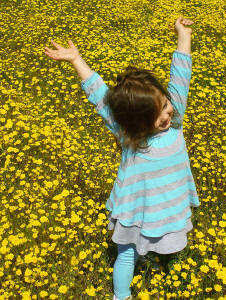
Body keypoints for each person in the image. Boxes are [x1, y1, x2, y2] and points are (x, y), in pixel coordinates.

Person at [45, 15, 200, 300]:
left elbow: (181, 75)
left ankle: (166, 263)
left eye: (165, 105)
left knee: (168, 245)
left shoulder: (175, 119)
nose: (166, 114)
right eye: (157, 114)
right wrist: (76, 61)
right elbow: (101, 96)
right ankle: (121, 295)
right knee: (126, 256)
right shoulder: (131, 137)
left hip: (166, 208)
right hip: (135, 215)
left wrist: (184, 35)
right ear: (135, 120)